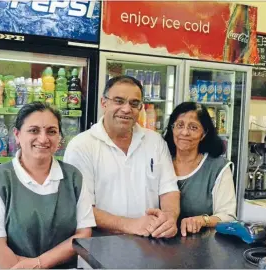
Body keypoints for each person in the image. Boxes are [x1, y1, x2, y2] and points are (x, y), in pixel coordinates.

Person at [0, 102, 96, 269]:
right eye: (33, 130)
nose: (43, 138)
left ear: (59, 138)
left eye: (51, 131)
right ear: (17, 135)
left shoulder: (73, 178)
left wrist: (38, 264)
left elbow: (83, 234)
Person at [64, 75, 180, 239]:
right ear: (104, 103)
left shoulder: (155, 141)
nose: (126, 109)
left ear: (140, 108)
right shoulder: (81, 146)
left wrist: (169, 218)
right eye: (119, 101)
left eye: (134, 103)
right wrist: (131, 225)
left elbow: (169, 190)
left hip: (151, 245)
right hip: (100, 247)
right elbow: (80, 207)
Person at [163, 102, 237, 237]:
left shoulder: (217, 168)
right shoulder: (160, 161)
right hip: (159, 245)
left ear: (204, 134)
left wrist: (203, 220)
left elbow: (228, 216)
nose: (184, 132)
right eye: (180, 125)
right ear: (172, 128)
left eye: (193, 127)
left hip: (201, 247)